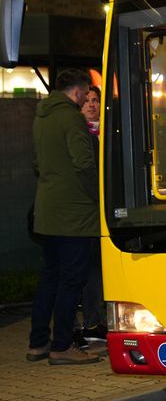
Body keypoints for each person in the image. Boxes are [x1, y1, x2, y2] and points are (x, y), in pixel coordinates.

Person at [26, 69, 102, 365]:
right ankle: (61, 346)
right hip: (74, 215)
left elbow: (37, 163)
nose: (86, 97)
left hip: (47, 211)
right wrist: (97, 197)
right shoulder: (72, 118)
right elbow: (84, 164)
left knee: (49, 278)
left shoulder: (41, 116)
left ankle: (38, 344)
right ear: (78, 91)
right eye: (85, 92)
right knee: (72, 279)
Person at [78, 85, 107, 347]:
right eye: (86, 100)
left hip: (107, 212)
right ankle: (91, 322)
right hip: (87, 213)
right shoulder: (78, 134)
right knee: (91, 270)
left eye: (95, 100)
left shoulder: (108, 132)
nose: (91, 105)